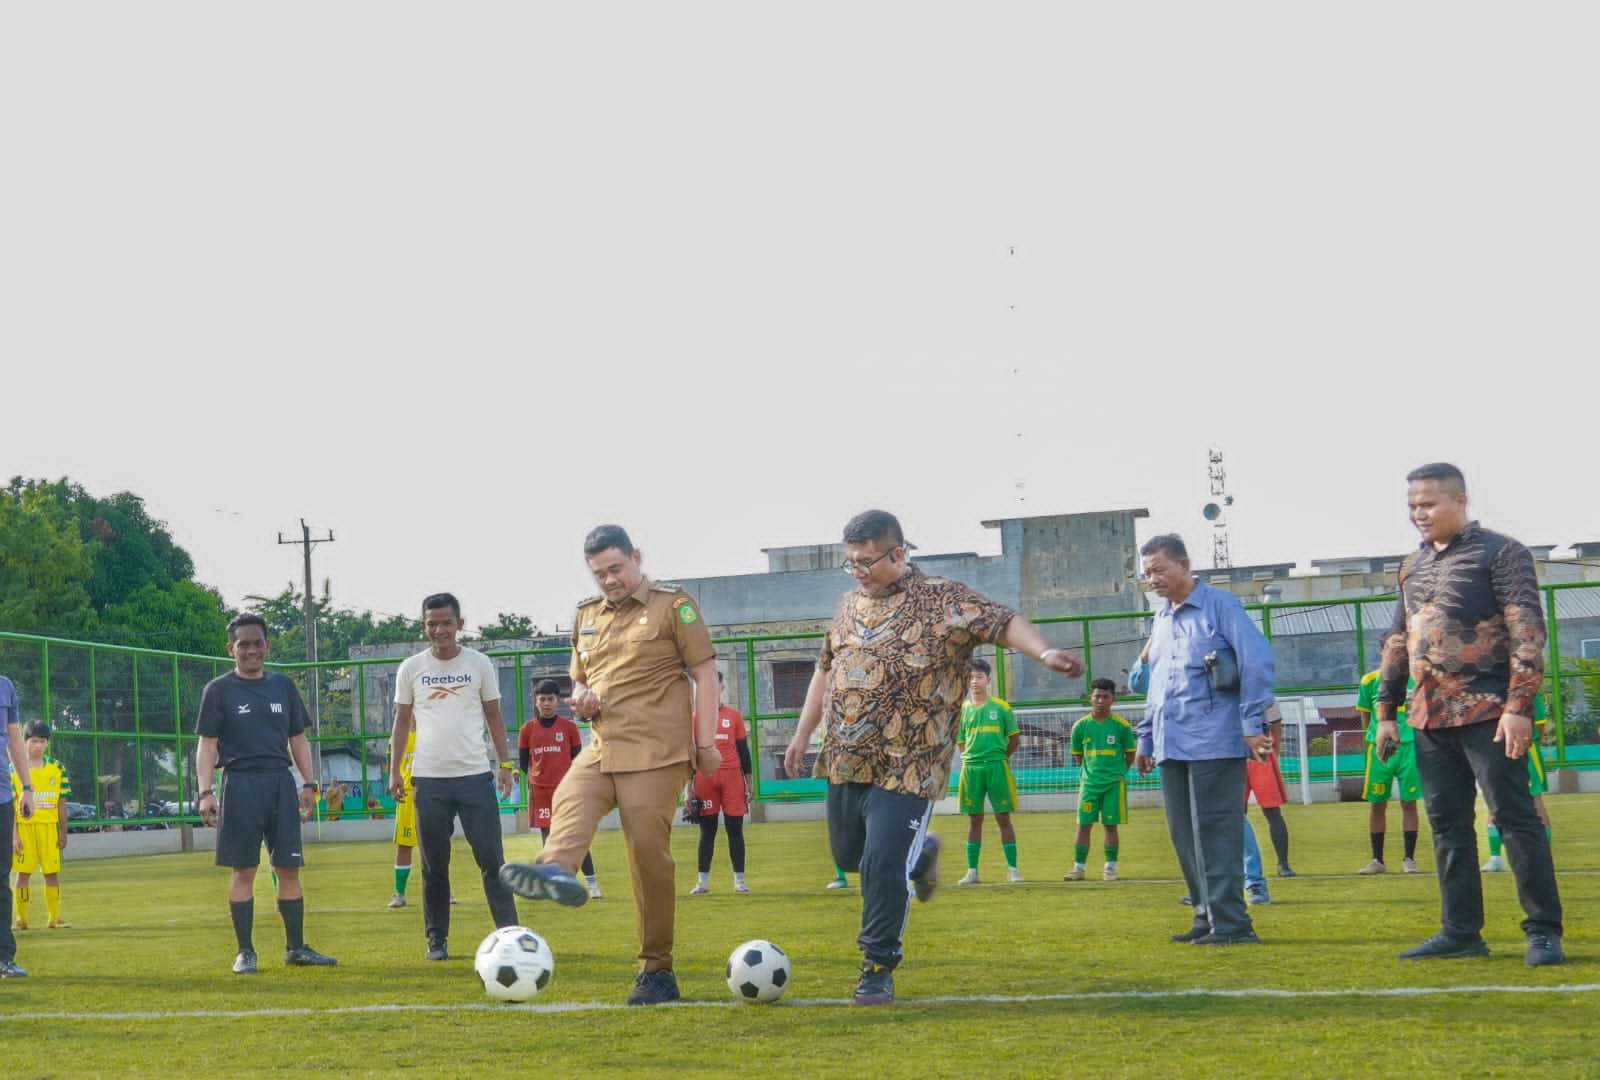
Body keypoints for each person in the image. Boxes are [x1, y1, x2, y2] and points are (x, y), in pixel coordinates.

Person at [781, 510, 1085, 1006]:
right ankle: (920, 855)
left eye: (866, 561)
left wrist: (1045, 653)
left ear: (898, 554)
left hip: (911, 763)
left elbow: (1003, 623)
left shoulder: (944, 599)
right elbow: (824, 669)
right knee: (849, 856)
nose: (857, 570)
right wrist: (801, 735)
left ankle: (877, 966)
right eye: (850, 562)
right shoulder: (846, 606)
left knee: (881, 864)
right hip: (846, 757)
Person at [499, 525, 722, 1007]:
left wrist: (706, 743)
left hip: (658, 752)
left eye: (616, 569)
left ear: (636, 557)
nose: (609, 580)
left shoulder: (673, 606)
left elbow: (704, 674)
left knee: (646, 854)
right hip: (602, 744)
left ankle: (656, 970)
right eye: (599, 573)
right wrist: (580, 698)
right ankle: (557, 870)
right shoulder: (586, 615)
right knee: (569, 795)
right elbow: (579, 680)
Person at [1375, 463, 1563, 965]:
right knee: (1447, 825)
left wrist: (1519, 707)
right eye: (1413, 505)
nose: (1419, 513)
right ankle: (1461, 932)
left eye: (1429, 503)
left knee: (1516, 819)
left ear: (1460, 500)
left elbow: (1527, 630)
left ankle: (1543, 931)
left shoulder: (1502, 553)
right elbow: (1397, 638)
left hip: (1490, 712)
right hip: (1428, 718)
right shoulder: (1410, 565)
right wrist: (1386, 709)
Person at [1133, 533, 1275, 948]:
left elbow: (1256, 662)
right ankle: (1204, 914)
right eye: (1147, 574)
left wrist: (1252, 722)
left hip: (1214, 737)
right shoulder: (1161, 619)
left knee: (1216, 831)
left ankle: (1233, 922)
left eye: (1159, 569)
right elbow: (1156, 686)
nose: (1153, 579)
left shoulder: (1221, 607)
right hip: (1170, 740)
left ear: (1184, 564)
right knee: (1183, 833)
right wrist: (1145, 738)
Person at [194, 613, 336, 974]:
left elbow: (298, 739)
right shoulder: (218, 690)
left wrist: (309, 783)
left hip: (279, 782)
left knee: (288, 867)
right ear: (231, 649)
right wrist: (205, 792)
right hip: (240, 783)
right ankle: (245, 952)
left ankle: (296, 948)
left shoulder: (283, 686)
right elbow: (207, 745)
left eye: (258, 643)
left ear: (267, 646)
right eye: (244, 645)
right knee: (244, 870)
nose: (252, 650)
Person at [388, 592, 520, 962]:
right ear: (423, 626)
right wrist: (396, 771)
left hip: (475, 776)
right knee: (434, 867)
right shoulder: (411, 668)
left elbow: (495, 716)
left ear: (460, 624)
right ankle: (436, 940)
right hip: (428, 780)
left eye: (446, 622)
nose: (439, 629)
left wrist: (505, 765)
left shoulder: (479, 664)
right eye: (432, 623)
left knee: (493, 860)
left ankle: (509, 934)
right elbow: (400, 723)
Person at [517, 679, 600, 899]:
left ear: (557, 701)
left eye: (550, 699)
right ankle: (553, 885)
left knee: (575, 836)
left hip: (566, 791)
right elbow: (524, 762)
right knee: (549, 839)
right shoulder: (527, 729)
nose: (546, 703)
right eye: (542, 699)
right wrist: (538, 778)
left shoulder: (569, 728)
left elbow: (578, 759)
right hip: (540, 792)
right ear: (535, 701)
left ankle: (592, 884)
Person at [955, 658, 1024, 885]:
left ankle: (1013, 870)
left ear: (989, 680)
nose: (974, 681)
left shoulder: (1002, 707)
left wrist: (1001, 756)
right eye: (970, 677)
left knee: (1003, 817)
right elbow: (961, 741)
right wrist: (971, 756)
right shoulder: (962, 709)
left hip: (996, 766)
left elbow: (1014, 739)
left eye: (979, 677)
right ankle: (972, 872)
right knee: (974, 819)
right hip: (971, 768)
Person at [687, 672, 753, 895]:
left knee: (736, 830)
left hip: (732, 778)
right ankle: (702, 883)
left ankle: (739, 881)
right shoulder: (695, 718)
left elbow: (744, 751)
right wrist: (689, 789)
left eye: (717, 685)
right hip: (705, 779)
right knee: (707, 832)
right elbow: (691, 755)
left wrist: (749, 782)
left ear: (722, 688)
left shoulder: (734, 716)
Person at [1064, 678, 1135, 882]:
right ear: (1090, 698)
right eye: (1097, 696)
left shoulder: (1121, 726)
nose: (1101, 700)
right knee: (1084, 825)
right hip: (1089, 785)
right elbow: (1079, 756)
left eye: (1105, 696)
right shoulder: (1080, 726)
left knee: (1110, 826)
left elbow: (1129, 755)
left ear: (1113, 699)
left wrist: (1119, 773)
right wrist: (1090, 774)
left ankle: (1110, 869)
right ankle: (1078, 868)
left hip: (1114, 784)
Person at [1354, 664, 1422, 875]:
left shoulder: (1417, 677)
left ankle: (1409, 859)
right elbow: (1365, 715)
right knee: (1377, 804)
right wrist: (1373, 737)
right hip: (1379, 748)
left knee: (1409, 802)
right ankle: (1377, 860)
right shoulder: (1369, 680)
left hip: (1409, 746)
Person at [10, 721, 70, 929]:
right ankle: (21, 919)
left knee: (51, 874)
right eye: (33, 741)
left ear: (47, 743)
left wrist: (63, 831)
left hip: (49, 830)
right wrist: (13, 836)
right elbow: (9, 807)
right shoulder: (13, 770)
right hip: (25, 830)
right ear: (24, 742)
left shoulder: (57, 768)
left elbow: (61, 802)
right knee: (23, 874)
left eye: (42, 741)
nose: (38, 745)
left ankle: (53, 918)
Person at [1483, 692, 1550, 873]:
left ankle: (1542, 856)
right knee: (1493, 801)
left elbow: (1540, 725)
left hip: (1526, 749)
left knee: (1534, 801)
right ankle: (1495, 857)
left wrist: (1529, 741)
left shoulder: (1525, 687)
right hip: (1494, 751)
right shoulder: (1488, 688)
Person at [0, 673, 35, 977]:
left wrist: (27, 786)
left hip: (0, 796)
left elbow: (13, 739)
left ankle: (3, 958)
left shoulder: (6, 686)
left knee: (1, 878)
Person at [1245, 703, 1294, 880]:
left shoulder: (1262, 691)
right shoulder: (1222, 687)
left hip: (1261, 753)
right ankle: (1239, 864)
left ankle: (1283, 863)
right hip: (1233, 755)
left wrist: (1275, 750)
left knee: (1272, 811)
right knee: (1234, 814)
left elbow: (1276, 724)